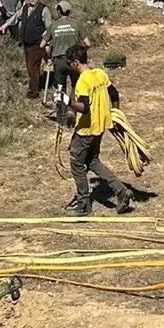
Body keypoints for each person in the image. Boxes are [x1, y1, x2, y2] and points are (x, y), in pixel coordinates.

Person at [67, 45, 132, 217]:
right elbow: (114, 94)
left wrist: (68, 102)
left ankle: (83, 205)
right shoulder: (100, 74)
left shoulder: (83, 81)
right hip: (100, 127)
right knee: (93, 161)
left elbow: (84, 107)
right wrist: (115, 114)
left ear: (75, 62)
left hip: (86, 130)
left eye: (70, 63)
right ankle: (121, 190)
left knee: (77, 165)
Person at [46, 0, 82, 124]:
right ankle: (73, 110)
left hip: (59, 61)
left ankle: (61, 116)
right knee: (76, 86)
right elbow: (88, 43)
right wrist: (81, 52)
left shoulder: (54, 25)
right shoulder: (76, 24)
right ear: (69, 11)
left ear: (58, 11)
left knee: (60, 88)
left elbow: (43, 44)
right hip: (74, 61)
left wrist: (49, 55)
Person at [18, 0, 52, 99]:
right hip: (26, 44)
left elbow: (49, 27)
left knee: (32, 67)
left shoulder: (44, 9)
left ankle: (34, 92)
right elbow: (15, 17)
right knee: (30, 67)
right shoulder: (25, 8)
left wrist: (45, 42)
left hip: (37, 44)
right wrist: (4, 26)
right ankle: (33, 87)